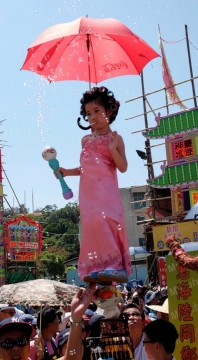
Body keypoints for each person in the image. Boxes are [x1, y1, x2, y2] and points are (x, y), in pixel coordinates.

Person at [57, 86, 132, 283]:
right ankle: (96, 265)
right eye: (88, 113)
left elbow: (122, 166)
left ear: (110, 111)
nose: (92, 117)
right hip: (88, 193)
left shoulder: (116, 138)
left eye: (97, 111)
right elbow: (86, 168)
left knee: (105, 222)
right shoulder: (85, 140)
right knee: (91, 226)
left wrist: (113, 149)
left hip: (106, 191)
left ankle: (115, 265)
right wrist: (67, 172)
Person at [0, 284, 95, 360]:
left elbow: (73, 356)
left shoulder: (52, 341)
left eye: (21, 342)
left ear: (29, 347)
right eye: (8, 343)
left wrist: (76, 317)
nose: (16, 348)